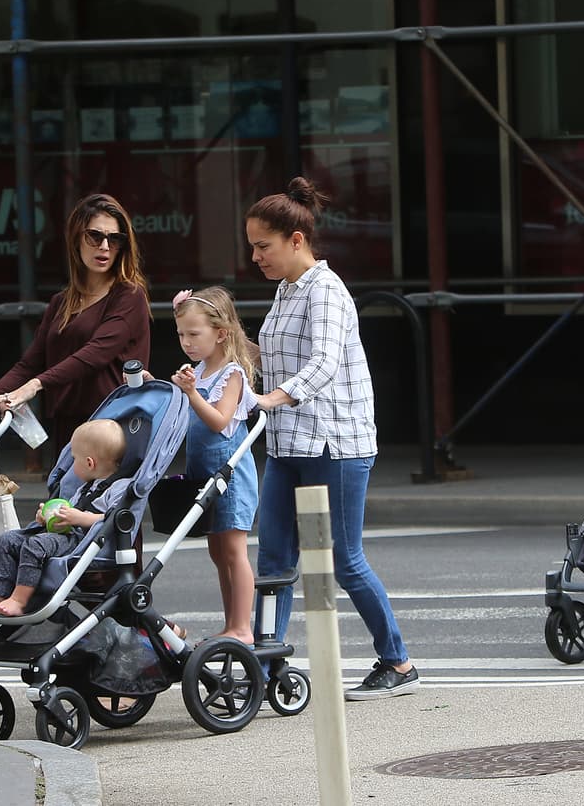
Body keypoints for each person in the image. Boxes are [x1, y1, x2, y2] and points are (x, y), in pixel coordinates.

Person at [246, 176, 417, 700]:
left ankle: (398, 662)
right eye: (252, 246)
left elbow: (323, 363)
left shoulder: (326, 290)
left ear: (296, 240)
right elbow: (275, 359)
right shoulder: (286, 289)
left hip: (335, 444)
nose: (255, 257)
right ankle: (266, 665)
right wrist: (219, 336)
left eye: (263, 246)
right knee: (274, 561)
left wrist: (271, 399)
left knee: (346, 561)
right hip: (288, 444)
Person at [0, 193, 151, 454]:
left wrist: (33, 386)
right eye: (94, 236)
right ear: (76, 238)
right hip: (67, 426)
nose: (105, 246)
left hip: (112, 427)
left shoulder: (129, 296)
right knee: (60, 484)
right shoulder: (60, 302)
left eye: (115, 239)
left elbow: (96, 353)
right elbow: (30, 364)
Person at [170, 286, 260, 644]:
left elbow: (220, 421)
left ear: (221, 333)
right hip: (205, 474)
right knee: (217, 551)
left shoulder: (231, 373)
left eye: (194, 334)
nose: (186, 342)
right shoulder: (200, 370)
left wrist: (191, 393)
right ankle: (230, 622)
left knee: (234, 550)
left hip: (230, 475)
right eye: (181, 335)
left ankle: (243, 627)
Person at [0, 419, 125, 617]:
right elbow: (67, 513)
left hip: (85, 541)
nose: (72, 466)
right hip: (65, 535)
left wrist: (80, 518)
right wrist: (48, 517)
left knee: (35, 545)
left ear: (89, 463)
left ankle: (19, 600)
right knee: (7, 540)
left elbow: (116, 518)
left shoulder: (120, 487)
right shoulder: (85, 488)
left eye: (74, 459)